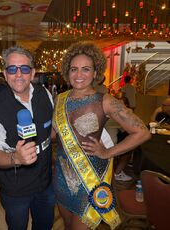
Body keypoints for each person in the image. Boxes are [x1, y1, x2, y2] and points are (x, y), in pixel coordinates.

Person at [52, 41, 151, 230]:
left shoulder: (105, 101)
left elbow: (142, 133)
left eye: (86, 69)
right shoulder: (60, 99)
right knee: (66, 225)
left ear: (95, 73)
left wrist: (108, 152)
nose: (79, 75)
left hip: (89, 179)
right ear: (67, 71)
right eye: (74, 69)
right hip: (62, 177)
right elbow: (54, 134)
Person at [0, 46, 55, 230]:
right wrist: (16, 158)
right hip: (15, 189)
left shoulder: (44, 94)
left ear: (33, 72)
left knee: (44, 225)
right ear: (5, 75)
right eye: (12, 69)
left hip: (45, 183)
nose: (19, 74)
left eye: (24, 68)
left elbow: (51, 130)